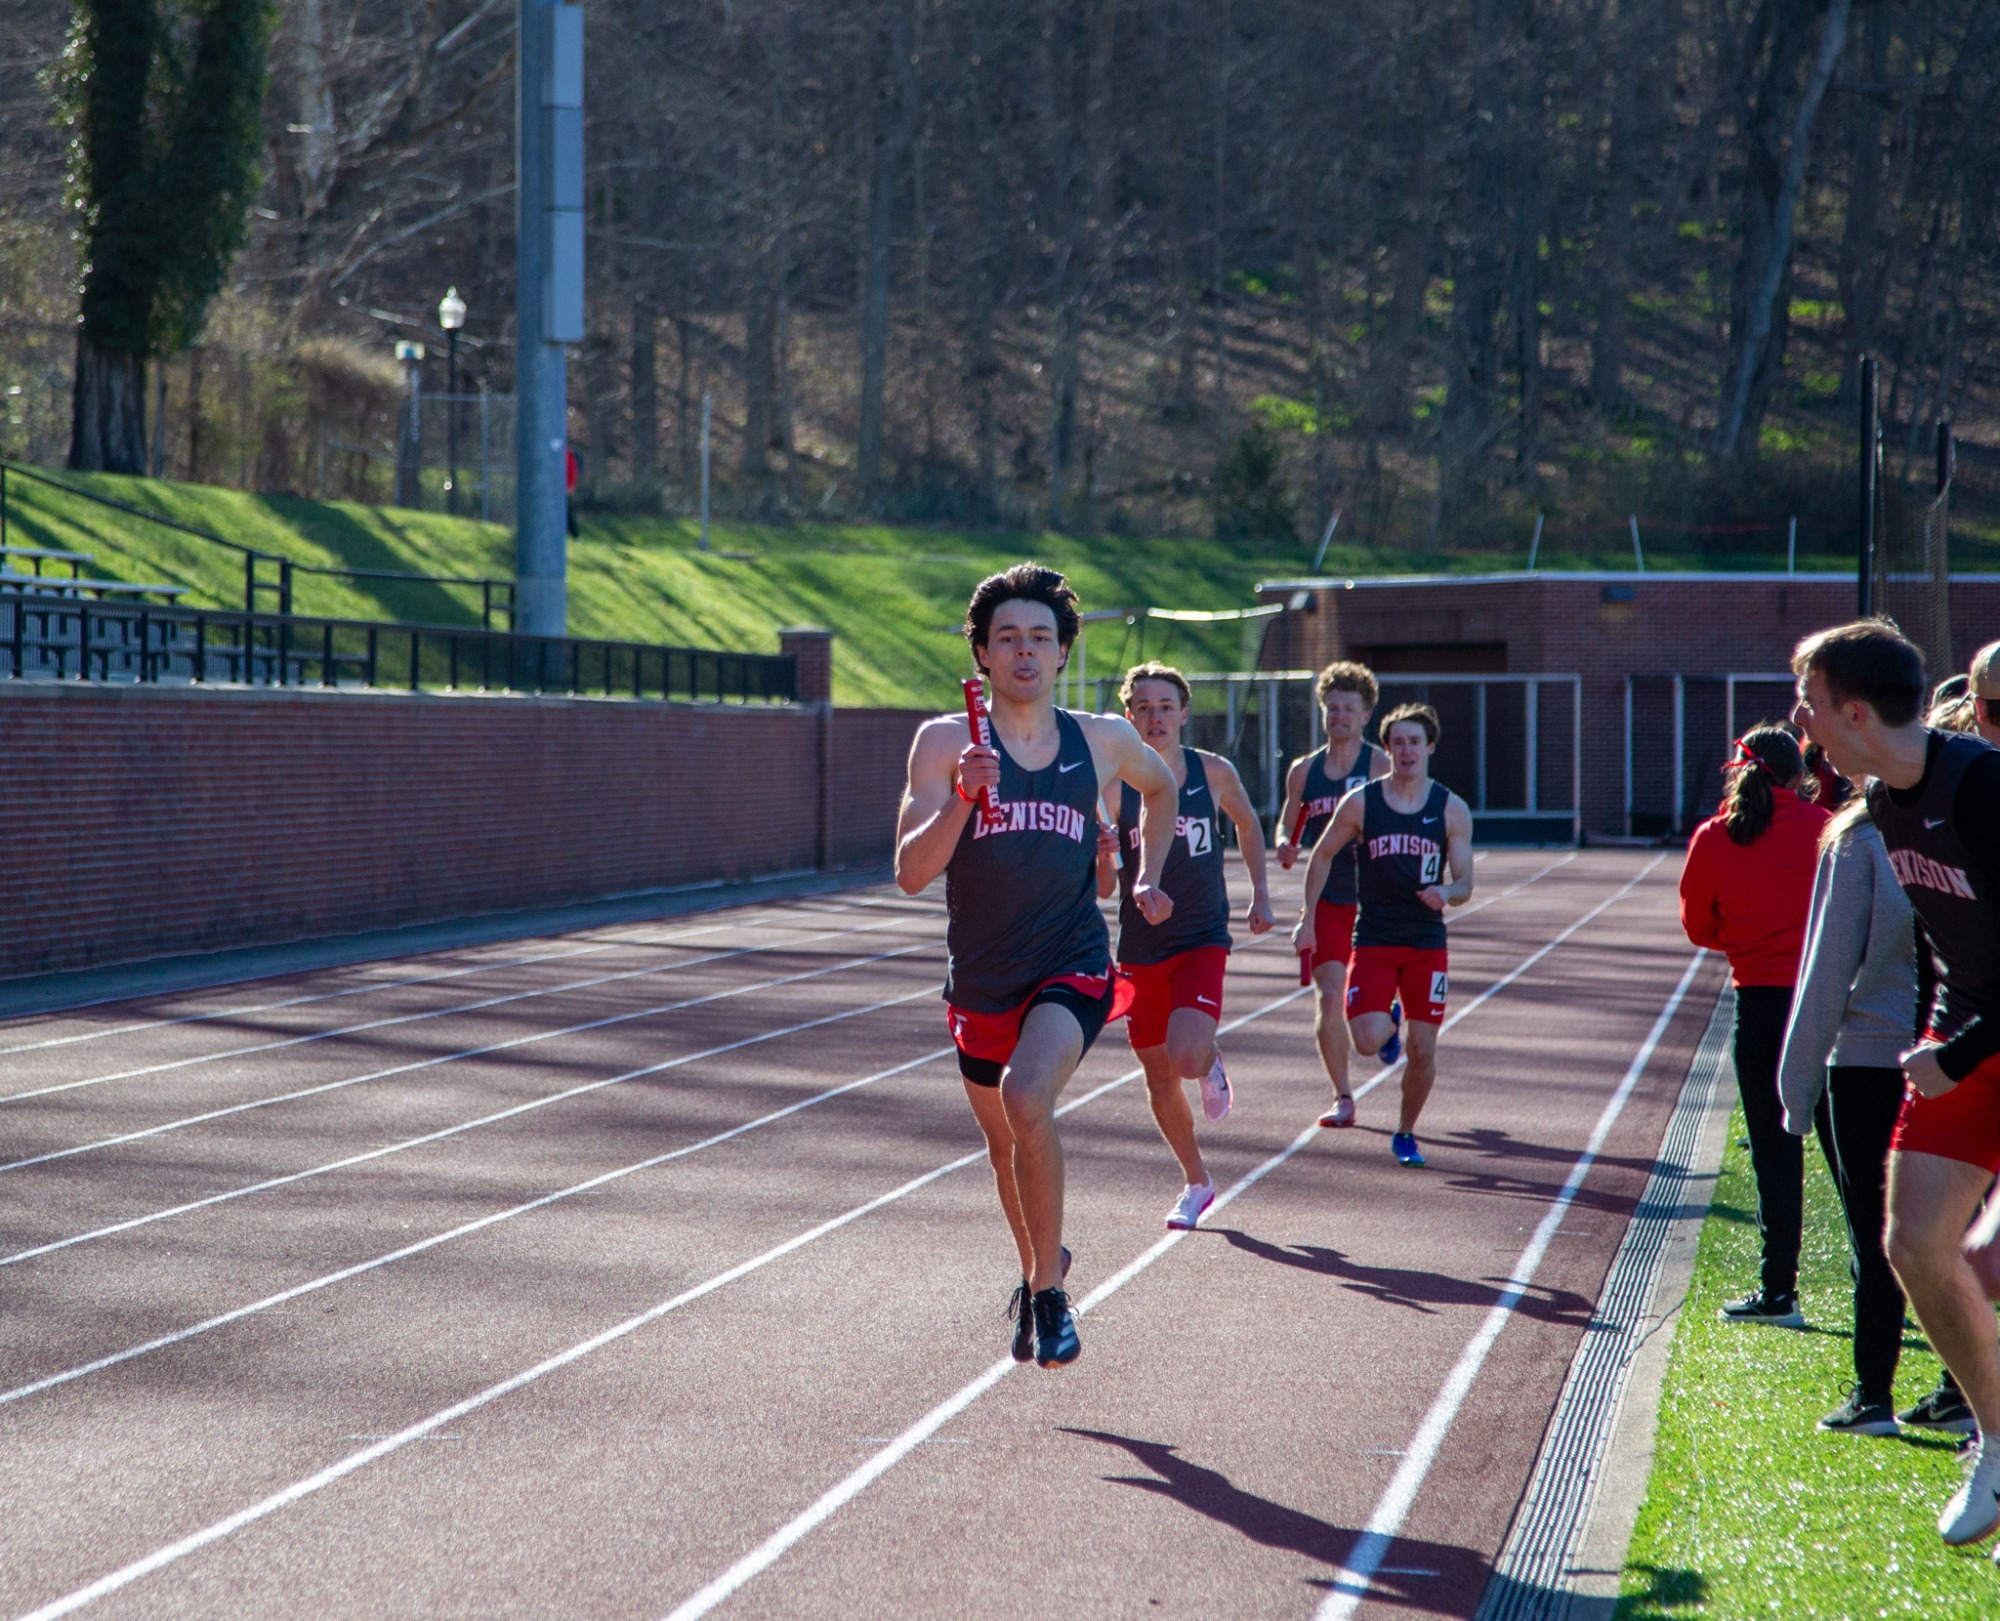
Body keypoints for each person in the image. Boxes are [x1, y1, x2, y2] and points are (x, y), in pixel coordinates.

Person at [895, 563, 1178, 1371]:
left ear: (1062, 655)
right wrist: (960, 799)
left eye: (1041, 639)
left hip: (1072, 960)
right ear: (981, 654)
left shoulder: (1102, 739)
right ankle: (1038, 1269)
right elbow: (911, 873)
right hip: (982, 978)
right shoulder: (945, 742)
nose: (1025, 651)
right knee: (1004, 1147)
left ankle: (1051, 1296)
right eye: (1008, 638)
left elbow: (1164, 788)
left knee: (1027, 1095)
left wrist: (1147, 873)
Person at [1790, 620, 2000, 1547]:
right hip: (1968, 1038)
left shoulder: (1985, 786)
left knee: (1986, 1260)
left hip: (1977, 1044)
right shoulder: (1880, 803)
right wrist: (1947, 1037)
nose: (1800, 719)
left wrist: (1957, 1051)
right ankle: (1995, 1436)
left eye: (1811, 701)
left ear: (1857, 711)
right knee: (1914, 1244)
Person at [1097, 661, 1275, 1231]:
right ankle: (1196, 1182)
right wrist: (1101, 852)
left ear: (1183, 714)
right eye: (1143, 708)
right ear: (1129, 716)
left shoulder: (1212, 773)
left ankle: (1209, 1058)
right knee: (1158, 1076)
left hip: (1202, 935)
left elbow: (1247, 825)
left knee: (1187, 1055)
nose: (1155, 717)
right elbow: (1103, 883)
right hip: (1141, 944)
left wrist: (1260, 895)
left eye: (1166, 707)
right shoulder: (1114, 787)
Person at [1678, 724, 1830, 1329]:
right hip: (1828, 998)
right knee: (1852, 1151)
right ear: (1798, 776)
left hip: (1760, 1000)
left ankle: (1779, 1289)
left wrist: (1744, 942)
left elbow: (1696, 927)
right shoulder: (1825, 828)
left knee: (1774, 1148)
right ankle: (1882, 1285)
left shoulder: (1715, 836)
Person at [1775, 797, 1918, 1435]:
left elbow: (1828, 970)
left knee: (1877, 1233)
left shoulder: (1861, 838)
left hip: (1870, 1060)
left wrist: (1796, 1090)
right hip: (1961, 1051)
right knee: (1956, 1234)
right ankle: (1959, 1390)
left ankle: (1874, 1392)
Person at [1290, 702, 1473, 1167]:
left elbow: (1466, 883)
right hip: (1372, 937)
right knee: (1368, 1041)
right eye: (1397, 743)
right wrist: (1307, 916)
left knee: (1423, 1048)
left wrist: (1447, 889)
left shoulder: (1450, 808)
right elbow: (1322, 854)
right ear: (1387, 749)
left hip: (1426, 942)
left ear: (1429, 747)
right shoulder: (1362, 803)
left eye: (1415, 742)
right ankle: (1388, 1017)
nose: (1406, 751)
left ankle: (1406, 1133)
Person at [1273, 661, 1390, 1126]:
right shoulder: (1304, 770)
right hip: (1326, 900)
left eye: (1348, 709)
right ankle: (1343, 1096)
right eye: (1332, 708)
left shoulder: (1379, 765)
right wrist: (1284, 840)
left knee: (1369, 1017)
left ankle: (1389, 1019)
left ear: (1365, 716)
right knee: (1329, 994)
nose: (1338, 716)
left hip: (1375, 900)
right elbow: (1288, 817)